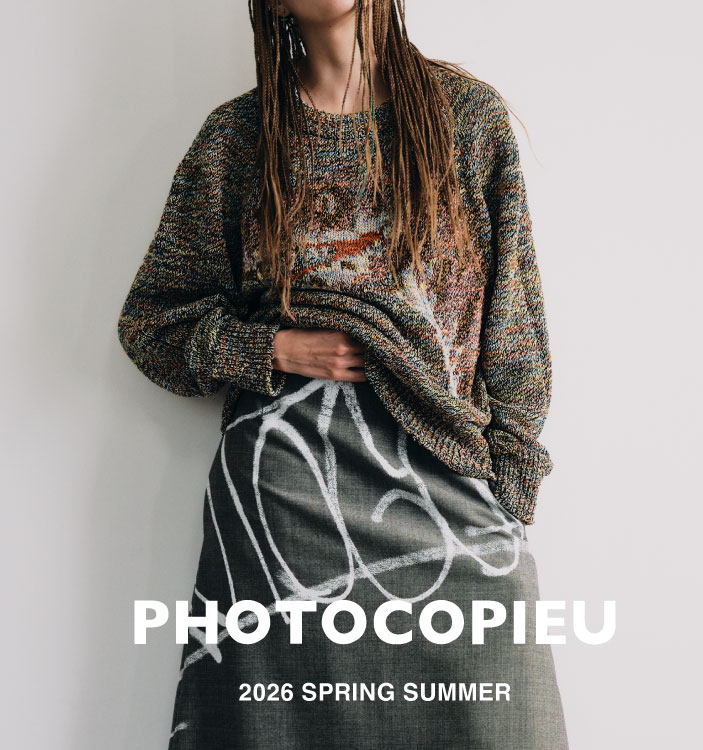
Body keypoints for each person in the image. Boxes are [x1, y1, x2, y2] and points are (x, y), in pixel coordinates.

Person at [116, 1, 569, 747]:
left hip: (443, 480)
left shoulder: (466, 118)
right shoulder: (238, 138)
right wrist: (273, 350)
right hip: (286, 503)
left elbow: (513, 325)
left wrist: (509, 493)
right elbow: (152, 325)